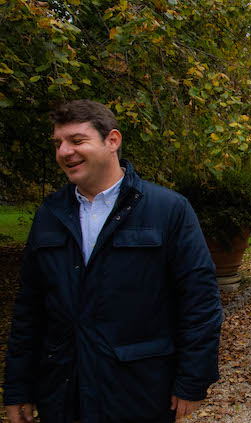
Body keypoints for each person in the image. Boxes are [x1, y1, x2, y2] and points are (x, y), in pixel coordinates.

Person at [3, 100, 223, 422]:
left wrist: (191, 380)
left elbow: (200, 302)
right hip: (64, 393)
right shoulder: (49, 214)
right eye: (59, 143)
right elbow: (29, 308)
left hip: (138, 392)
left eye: (77, 140)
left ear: (112, 141)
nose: (64, 152)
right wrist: (18, 387)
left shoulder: (168, 210)